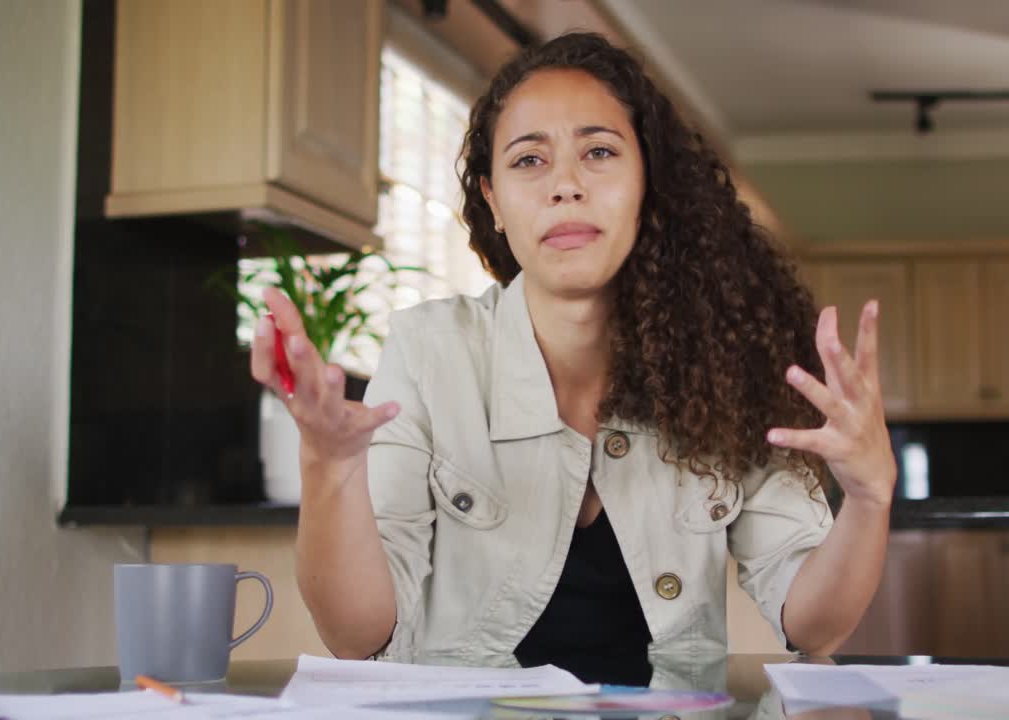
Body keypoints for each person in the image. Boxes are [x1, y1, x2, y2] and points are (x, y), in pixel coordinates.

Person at [250, 33, 896, 670]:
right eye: (529, 160)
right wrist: (329, 465)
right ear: (493, 200)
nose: (565, 184)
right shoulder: (429, 348)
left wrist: (869, 498)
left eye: (599, 151)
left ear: (650, 183)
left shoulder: (726, 364)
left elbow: (814, 627)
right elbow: (356, 636)